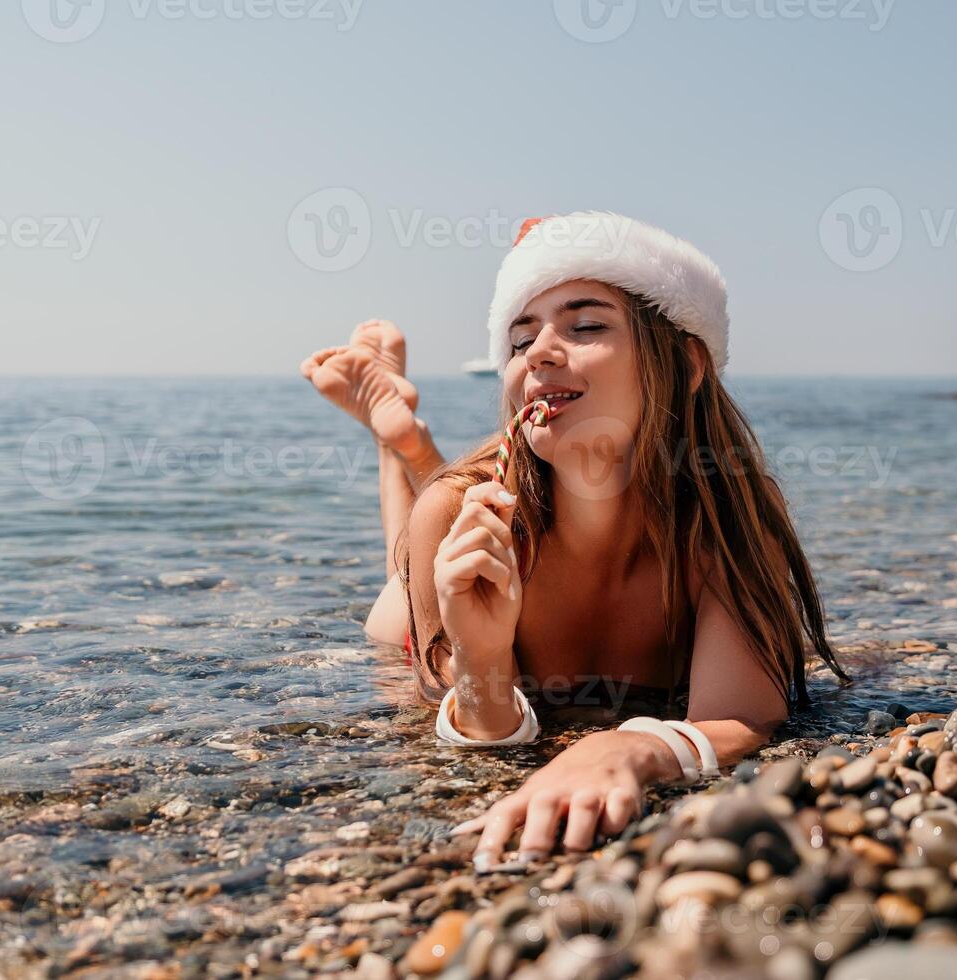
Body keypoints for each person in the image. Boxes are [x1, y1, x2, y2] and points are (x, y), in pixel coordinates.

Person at [300, 212, 853, 870]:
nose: (536, 353)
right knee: (395, 609)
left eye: (585, 325)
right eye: (519, 338)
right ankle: (398, 447)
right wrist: (479, 660)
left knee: (432, 529)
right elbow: (473, 727)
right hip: (443, 558)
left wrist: (623, 747)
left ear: (686, 361)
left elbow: (744, 716)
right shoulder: (457, 511)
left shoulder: (723, 516)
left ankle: (407, 445)